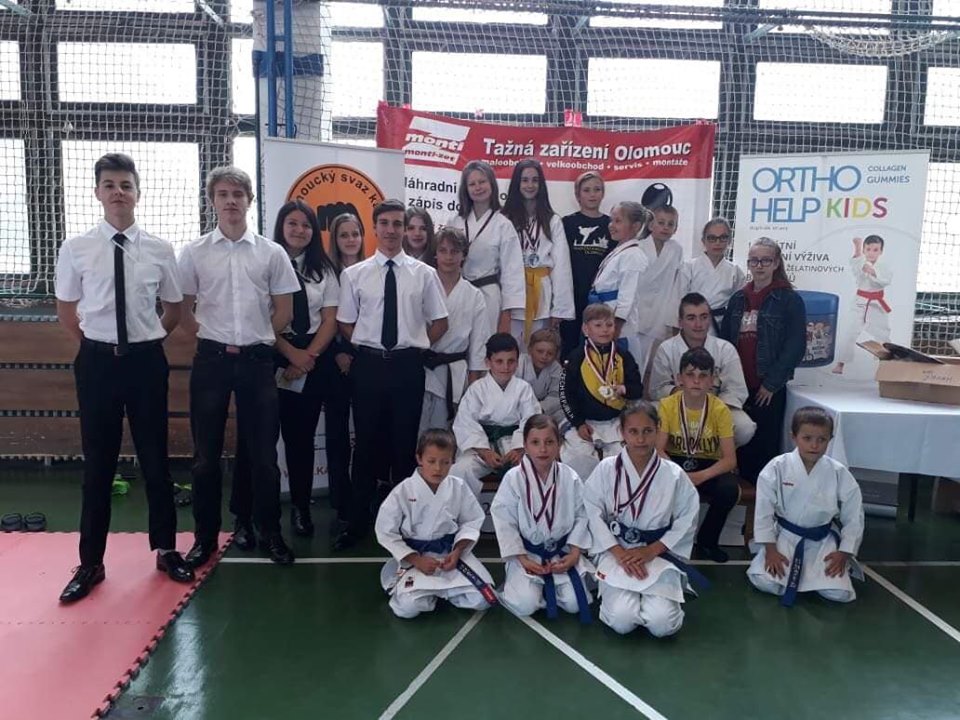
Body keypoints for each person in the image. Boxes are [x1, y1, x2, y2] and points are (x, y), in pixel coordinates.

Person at [54, 152, 192, 602]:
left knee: (155, 458)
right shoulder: (76, 248)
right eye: (110, 185)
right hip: (97, 364)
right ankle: (91, 563)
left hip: (145, 362)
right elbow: (67, 309)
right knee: (98, 463)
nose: (118, 192)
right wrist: (100, 344)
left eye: (126, 185)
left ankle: (167, 549)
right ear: (97, 192)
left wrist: (144, 340)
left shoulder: (159, 249)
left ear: (137, 193)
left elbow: (174, 309)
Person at [178, 166, 299, 567]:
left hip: (257, 361)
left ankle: (270, 532)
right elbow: (183, 310)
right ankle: (205, 538)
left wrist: (256, 334)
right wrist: (211, 336)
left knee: (264, 456)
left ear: (250, 200)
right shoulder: (194, 252)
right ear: (212, 200)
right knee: (205, 457)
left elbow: (284, 311)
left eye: (238, 194)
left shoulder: (271, 253)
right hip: (211, 361)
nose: (231, 201)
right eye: (223, 194)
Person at [335, 199, 449, 549]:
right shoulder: (354, 275)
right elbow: (345, 322)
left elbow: (440, 322)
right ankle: (357, 522)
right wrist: (367, 345)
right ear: (374, 227)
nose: (391, 230)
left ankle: (403, 524)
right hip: (368, 367)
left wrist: (414, 345)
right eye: (384, 223)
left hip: (407, 367)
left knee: (403, 447)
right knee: (365, 445)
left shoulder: (424, 274)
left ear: (404, 229)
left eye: (398, 224)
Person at [230, 200, 340, 540]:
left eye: (306, 225)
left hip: (312, 360)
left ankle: (301, 508)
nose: (299, 230)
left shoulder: (324, 270)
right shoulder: (263, 261)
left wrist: (307, 357)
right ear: (281, 226)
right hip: (268, 356)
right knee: (254, 441)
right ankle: (244, 516)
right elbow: (259, 317)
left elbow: (330, 319)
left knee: (300, 440)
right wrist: (290, 353)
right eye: (292, 223)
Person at [582, 402, 701, 637]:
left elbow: (687, 518)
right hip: (617, 552)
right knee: (622, 621)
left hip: (658, 553)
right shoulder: (606, 469)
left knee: (662, 624)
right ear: (622, 433)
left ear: (658, 430)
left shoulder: (674, 474)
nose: (640, 439)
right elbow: (591, 512)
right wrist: (618, 552)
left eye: (647, 431)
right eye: (633, 431)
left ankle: (661, 603)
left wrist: (651, 551)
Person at [747, 407, 864, 606]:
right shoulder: (777, 467)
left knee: (838, 594)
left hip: (821, 540)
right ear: (794, 437)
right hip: (785, 537)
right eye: (807, 438)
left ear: (830, 439)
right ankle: (786, 570)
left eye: (822, 440)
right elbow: (763, 512)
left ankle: (815, 578)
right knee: (765, 582)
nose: (814, 445)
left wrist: (844, 552)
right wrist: (770, 549)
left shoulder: (838, 472)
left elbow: (854, 515)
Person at [375, 429, 497, 619]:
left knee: (483, 599)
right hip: (416, 557)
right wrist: (416, 560)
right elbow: (385, 531)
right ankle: (434, 591)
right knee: (407, 609)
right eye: (431, 461)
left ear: (453, 461)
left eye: (445, 462)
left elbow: (472, 521)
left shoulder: (458, 487)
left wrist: (457, 551)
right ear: (419, 458)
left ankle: (442, 591)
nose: (438, 468)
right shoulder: (404, 490)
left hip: (449, 556)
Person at [720, 237, 806, 485]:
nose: (759, 266)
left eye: (765, 261)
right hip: (738, 385)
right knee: (738, 441)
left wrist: (772, 384)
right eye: (754, 261)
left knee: (765, 446)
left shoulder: (789, 300)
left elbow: (795, 346)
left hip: (768, 387)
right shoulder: (738, 298)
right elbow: (725, 341)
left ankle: (763, 496)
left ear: (776, 263)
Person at [490, 415, 593, 622]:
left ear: (559, 444)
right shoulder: (513, 478)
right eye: (535, 442)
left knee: (574, 604)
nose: (543, 449)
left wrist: (574, 553)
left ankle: (546, 588)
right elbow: (504, 520)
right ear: (525, 446)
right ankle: (528, 586)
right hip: (528, 553)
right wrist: (522, 558)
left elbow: (582, 515)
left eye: (549, 442)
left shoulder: (570, 477)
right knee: (525, 605)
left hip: (561, 553)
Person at [655, 348, 739, 564]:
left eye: (703, 376)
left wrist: (701, 476)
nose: (696, 381)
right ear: (679, 378)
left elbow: (730, 460)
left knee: (729, 489)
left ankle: (707, 541)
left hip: (707, 465)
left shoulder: (720, 410)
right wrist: (679, 473)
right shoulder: (667, 405)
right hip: (674, 462)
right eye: (690, 375)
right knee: (655, 482)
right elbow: (658, 450)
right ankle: (659, 538)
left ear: (712, 380)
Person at [649, 292, 756, 447]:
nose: (698, 324)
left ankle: (719, 454)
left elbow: (736, 391)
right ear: (680, 322)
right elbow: (656, 389)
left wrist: (710, 407)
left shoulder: (725, 349)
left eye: (704, 317)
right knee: (650, 416)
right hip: (676, 408)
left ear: (710, 319)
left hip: (716, 408)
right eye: (691, 318)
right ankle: (668, 454)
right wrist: (684, 395)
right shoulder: (666, 349)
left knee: (744, 427)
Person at [450, 333, 541, 497]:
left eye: (511, 361)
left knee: (532, 467)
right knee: (461, 470)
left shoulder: (523, 388)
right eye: (499, 361)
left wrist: (519, 448)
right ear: (488, 362)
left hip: (514, 447)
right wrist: (485, 451)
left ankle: (525, 512)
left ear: (517, 362)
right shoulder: (476, 389)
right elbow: (466, 423)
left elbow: (531, 420)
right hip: (481, 448)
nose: (505, 367)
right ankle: (468, 512)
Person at [559, 304, 643, 481]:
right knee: (579, 460)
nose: (605, 330)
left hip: (616, 421)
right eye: (598, 325)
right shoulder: (575, 358)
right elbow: (565, 395)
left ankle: (615, 496)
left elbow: (638, 389)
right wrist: (578, 423)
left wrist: (624, 389)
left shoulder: (623, 356)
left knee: (622, 463)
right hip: (585, 422)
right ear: (585, 329)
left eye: (609, 325)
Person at [420, 226, 488, 432]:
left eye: (454, 251)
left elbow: (477, 347)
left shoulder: (474, 295)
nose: (448, 257)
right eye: (443, 250)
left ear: (463, 255)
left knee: (443, 434)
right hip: (421, 367)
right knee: (416, 431)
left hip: (454, 372)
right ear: (435, 254)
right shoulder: (422, 286)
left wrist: (473, 388)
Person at [446, 160, 525, 337]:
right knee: (455, 340)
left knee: (485, 342)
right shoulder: (455, 221)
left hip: (488, 293)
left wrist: (507, 313)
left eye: (482, 182)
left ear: (491, 184)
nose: (478, 187)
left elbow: (512, 271)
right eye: (472, 184)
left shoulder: (503, 225)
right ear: (465, 189)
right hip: (459, 290)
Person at [501, 159, 575, 346]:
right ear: (517, 183)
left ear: (541, 184)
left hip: (541, 294)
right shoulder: (504, 219)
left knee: (539, 350)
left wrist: (560, 308)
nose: (530, 185)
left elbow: (562, 266)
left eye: (535, 180)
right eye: (525, 180)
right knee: (509, 349)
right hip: (512, 293)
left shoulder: (552, 221)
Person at [325, 212, 365, 534]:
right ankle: (340, 498)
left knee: (367, 434)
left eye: (355, 234)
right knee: (337, 434)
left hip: (365, 361)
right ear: (335, 240)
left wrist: (354, 352)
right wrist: (338, 351)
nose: (350, 240)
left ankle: (365, 496)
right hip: (332, 364)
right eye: (344, 235)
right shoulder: (327, 274)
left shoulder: (372, 270)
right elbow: (327, 319)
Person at [587, 201, 650, 366]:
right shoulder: (620, 251)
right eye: (611, 220)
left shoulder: (633, 255)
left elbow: (626, 299)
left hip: (619, 330)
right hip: (603, 320)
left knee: (619, 372)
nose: (611, 225)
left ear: (635, 226)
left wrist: (614, 330)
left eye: (618, 221)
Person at [560, 171, 612, 357]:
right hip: (571, 295)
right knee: (569, 346)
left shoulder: (611, 224)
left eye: (597, 189)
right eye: (587, 190)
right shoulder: (566, 223)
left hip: (599, 297)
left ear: (603, 193)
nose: (592, 194)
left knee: (598, 345)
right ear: (577, 195)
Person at [633, 205, 684, 376]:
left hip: (660, 310)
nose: (665, 227)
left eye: (670, 224)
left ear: (675, 228)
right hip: (637, 308)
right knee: (633, 359)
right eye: (661, 223)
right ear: (650, 225)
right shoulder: (638, 247)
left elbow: (676, 282)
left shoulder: (676, 249)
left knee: (652, 364)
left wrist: (673, 315)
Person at [833, 235, 892, 374]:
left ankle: (884, 364)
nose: (871, 253)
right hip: (860, 303)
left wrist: (873, 272)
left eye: (875, 250)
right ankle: (840, 364)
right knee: (849, 332)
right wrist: (858, 249)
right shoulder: (861, 263)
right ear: (864, 250)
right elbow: (856, 267)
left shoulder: (884, 267)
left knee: (883, 333)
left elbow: (885, 281)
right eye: (868, 249)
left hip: (876, 304)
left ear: (881, 251)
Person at [676, 218, 746, 334]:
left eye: (723, 238)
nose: (717, 243)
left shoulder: (735, 271)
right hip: (693, 323)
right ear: (703, 241)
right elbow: (679, 300)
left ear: (729, 241)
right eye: (712, 238)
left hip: (722, 326)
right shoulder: (689, 267)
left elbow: (739, 305)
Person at [516, 328, 565, 429]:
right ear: (530, 349)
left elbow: (557, 395)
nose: (544, 356)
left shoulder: (556, 368)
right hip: (518, 407)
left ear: (556, 355)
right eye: (540, 351)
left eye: (550, 353)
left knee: (563, 412)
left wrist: (539, 408)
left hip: (541, 409)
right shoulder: (519, 363)